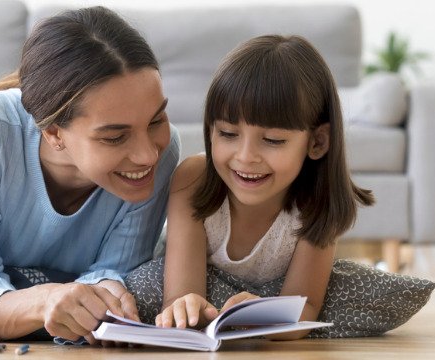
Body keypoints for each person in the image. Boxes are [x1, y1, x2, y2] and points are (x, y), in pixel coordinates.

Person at [0, 7, 179, 343]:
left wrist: (108, 293)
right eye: (115, 136)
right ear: (54, 134)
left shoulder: (164, 154)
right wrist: (47, 299)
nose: (148, 154)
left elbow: (116, 270)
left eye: (155, 121)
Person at [155, 35, 374, 339]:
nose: (245, 157)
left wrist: (263, 313)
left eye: (273, 140)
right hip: (179, 269)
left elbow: (306, 305)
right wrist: (188, 306)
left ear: (317, 142)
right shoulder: (193, 179)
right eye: (228, 134)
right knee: (144, 284)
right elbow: (180, 297)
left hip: (269, 293)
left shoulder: (316, 204)